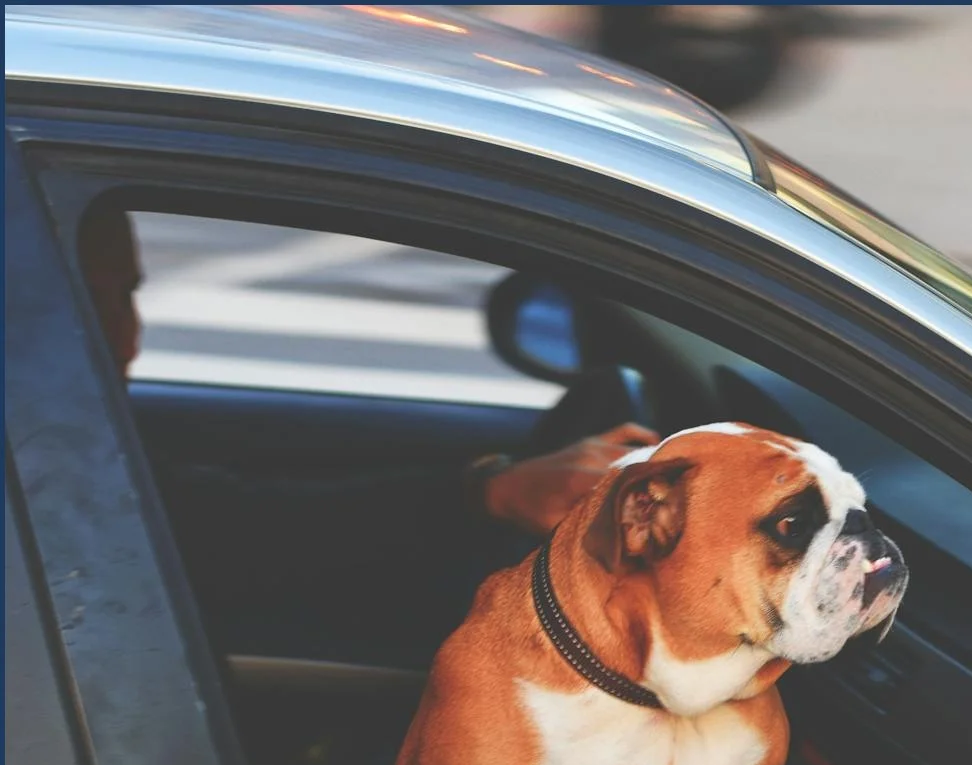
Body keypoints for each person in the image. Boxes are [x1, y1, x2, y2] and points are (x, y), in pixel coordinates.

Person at [77, 205, 661, 667]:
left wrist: (488, 488)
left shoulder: (79, 454)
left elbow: (223, 514)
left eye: (127, 297)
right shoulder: (61, 473)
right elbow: (234, 536)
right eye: (90, 302)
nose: (128, 338)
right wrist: (491, 494)